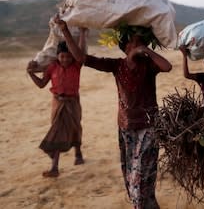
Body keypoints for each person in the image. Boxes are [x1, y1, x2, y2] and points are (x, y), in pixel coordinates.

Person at [56, 16, 172, 209]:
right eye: (134, 42)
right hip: (126, 129)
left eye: (141, 42)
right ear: (125, 46)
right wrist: (65, 30)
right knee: (131, 181)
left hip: (149, 129)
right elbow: (81, 58)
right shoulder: (116, 66)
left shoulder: (149, 66)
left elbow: (167, 66)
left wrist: (146, 50)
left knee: (141, 182)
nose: (138, 45)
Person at [26, 28, 88, 178]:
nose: (65, 59)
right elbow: (41, 84)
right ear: (57, 56)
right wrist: (31, 73)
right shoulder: (52, 67)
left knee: (75, 127)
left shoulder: (76, 65)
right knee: (57, 131)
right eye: (62, 56)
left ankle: (77, 153)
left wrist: (82, 33)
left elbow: (80, 51)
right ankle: (54, 167)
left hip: (73, 102)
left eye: (68, 57)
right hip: (57, 103)